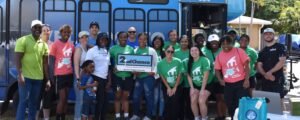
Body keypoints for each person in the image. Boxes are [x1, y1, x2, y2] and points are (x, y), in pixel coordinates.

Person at [15, 20, 50, 120]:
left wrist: (47, 79)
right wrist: (20, 75)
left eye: (40, 27)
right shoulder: (23, 40)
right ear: (31, 29)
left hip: (38, 79)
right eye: (36, 27)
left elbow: (45, 64)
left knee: (34, 103)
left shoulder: (44, 45)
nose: (38, 29)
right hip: (25, 77)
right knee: (23, 101)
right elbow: (17, 59)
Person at [214, 35, 250, 119]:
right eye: (223, 44)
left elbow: (247, 66)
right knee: (229, 104)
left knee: (241, 104)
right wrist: (220, 79)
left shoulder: (239, 51)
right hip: (228, 85)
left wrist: (246, 80)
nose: (225, 46)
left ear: (232, 43)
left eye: (228, 43)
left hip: (240, 83)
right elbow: (217, 69)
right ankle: (233, 118)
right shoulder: (219, 55)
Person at [256, 28, 286, 110]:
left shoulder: (280, 46)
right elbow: (259, 65)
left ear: (274, 35)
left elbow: (282, 62)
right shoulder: (262, 51)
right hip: (266, 81)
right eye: (266, 34)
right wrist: (265, 74)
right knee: (268, 103)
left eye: (270, 34)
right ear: (263, 36)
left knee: (279, 102)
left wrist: (269, 72)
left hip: (277, 80)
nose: (268, 35)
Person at [49, 24, 75, 120]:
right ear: (61, 33)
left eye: (68, 32)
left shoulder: (71, 45)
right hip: (59, 75)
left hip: (69, 74)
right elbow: (51, 61)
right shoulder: (55, 44)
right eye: (65, 32)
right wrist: (52, 77)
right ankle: (58, 117)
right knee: (62, 99)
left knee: (66, 99)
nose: (66, 34)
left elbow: (72, 59)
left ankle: (63, 117)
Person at [130, 33, 158, 120]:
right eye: (140, 39)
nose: (142, 41)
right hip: (138, 77)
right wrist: (133, 72)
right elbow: (131, 64)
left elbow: (157, 63)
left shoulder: (151, 50)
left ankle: (148, 116)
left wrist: (153, 71)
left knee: (149, 96)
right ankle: (136, 115)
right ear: (138, 40)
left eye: (144, 39)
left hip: (149, 77)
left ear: (147, 40)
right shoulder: (135, 51)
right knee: (136, 96)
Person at [85, 32, 111, 120]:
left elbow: (108, 67)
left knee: (104, 102)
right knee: (97, 102)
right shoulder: (92, 51)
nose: (103, 41)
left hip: (105, 80)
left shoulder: (107, 51)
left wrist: (109, 81)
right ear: (98, 40)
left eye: (105, 39)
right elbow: (87, 66)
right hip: (95, 79)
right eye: (102, 39)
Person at [109, 31, 134, 120]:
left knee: (126, 96)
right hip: (117, 77)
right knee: (118, 96)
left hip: (128, 77)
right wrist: (112, 68)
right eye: (121, 37)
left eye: (125, 37)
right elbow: (106, 60)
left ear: (127, 38)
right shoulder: (113, 49)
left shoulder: (131, 49)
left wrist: (133, 70)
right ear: (118, 38)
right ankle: (117, 116)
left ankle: (126, 115)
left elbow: (134, 62)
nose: (123, 39)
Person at [201, 34, 227, 120]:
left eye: (215, 42)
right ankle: (205, 116)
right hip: (209, 79)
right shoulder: (204, 50)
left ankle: (222, 116)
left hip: (221, 78)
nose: (214, 43)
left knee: (221, 98)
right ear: (208, 43)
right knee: (205, 99)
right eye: (212, 42)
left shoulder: (222, 50)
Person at [157, 45, 183, 120]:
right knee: (167, 102)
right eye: (168, 51)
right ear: (165, 52)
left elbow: (179, 74)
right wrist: (168, 87)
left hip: (177, 85)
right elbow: (162, 76)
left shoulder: (178, 61)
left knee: (175, 102)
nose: (170, 53)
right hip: (166, 85)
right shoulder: (160, 63)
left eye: (172, 52)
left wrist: (175, 87)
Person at [186, 46, 211, 120]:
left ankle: (204, 118)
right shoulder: (189, 62)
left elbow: (206, 76)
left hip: (207, 84)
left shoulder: (204, 60)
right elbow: (189, 76)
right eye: (192, 50)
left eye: (196, 50)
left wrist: (202, 90)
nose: (194, 52)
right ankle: (196, 117)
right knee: (193, 99)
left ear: (199, 51)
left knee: (201, 100)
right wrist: (192, 88)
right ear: (190, 53)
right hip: (196, 84)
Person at [36, 24, 55, 120]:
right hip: (37, 76)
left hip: (50, 77)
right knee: (36, 99)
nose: (46, 32)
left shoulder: (53, 45)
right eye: (44, 30)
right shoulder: (36, 44)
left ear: (50, 32)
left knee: (47, 99)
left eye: (48, 30)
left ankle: (46, 118)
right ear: (40, 32)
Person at [174, 35, 193, 120]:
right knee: (179, 101)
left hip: (190, 81)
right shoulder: (175, 52)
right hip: (179, 81)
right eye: (182, 41)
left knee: (190, 101)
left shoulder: (192, 51)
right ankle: (180, 117)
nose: (184, 43)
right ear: (179, 42)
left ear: (188, 42)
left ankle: (189, 117)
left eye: (186, 41)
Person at [73, 31, 89, 120]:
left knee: (84, 100)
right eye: (82, 37)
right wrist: (78, 78)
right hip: (79, 76)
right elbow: (76, 64)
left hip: (86, 77)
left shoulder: (86, 48)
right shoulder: (78, 48)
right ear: (79, 39)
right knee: (80, 100)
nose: (84, 39)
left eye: (86, 37)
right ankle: (77, 118)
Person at [151, 35, 165, 120]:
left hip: (163, 78)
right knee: (155, 97)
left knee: (162, 98)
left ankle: (160, 115)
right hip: (153, 78)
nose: (157, 42)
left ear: (161, 43)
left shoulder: (164, 52)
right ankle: (153, 114)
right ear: (153, 42)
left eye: (159, 41)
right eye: (155, 41)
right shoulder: (150, 51)